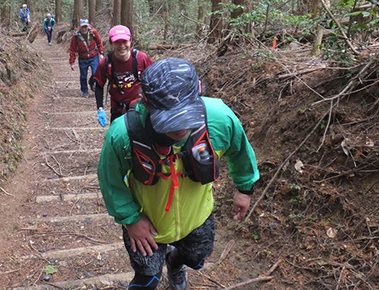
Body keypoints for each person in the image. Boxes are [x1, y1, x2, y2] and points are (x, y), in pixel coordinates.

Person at [97, 58, 259, 290]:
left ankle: (175, 262)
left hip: (197, 217)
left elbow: (240, 151)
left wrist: (245, 190)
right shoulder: (123, 135)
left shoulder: (219, 119)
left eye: (186, 117)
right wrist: (131, 219)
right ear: (146, 102)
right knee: (147, 278)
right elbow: (110, 180)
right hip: (148, 222)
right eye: (171, 120)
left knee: (197, 258)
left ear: (199, 92)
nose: (181, 128)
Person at [90, 25, 153, 127]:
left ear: (130, 41)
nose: (122, 46)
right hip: (118, 109)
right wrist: (100, 108)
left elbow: (154, 80)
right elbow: (99, 85)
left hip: (140, 107)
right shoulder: (105, 63)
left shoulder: (141, 59)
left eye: (124, 41)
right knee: (118, 139)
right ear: (111, 43)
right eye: (117, 42)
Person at [69, 18, 104, 98]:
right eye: (83, 27)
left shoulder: (93, 32)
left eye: (85, 26)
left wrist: (101, 53)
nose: (84, 28)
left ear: (88, 26)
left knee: (96, 72)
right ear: (80, 27)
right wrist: (72, 62)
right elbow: (72, 49)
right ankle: (84, 90)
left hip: (93, 56)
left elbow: (99, 42)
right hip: (82, 58)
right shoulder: (76, 36)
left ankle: (92, 83)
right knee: (83, 76)